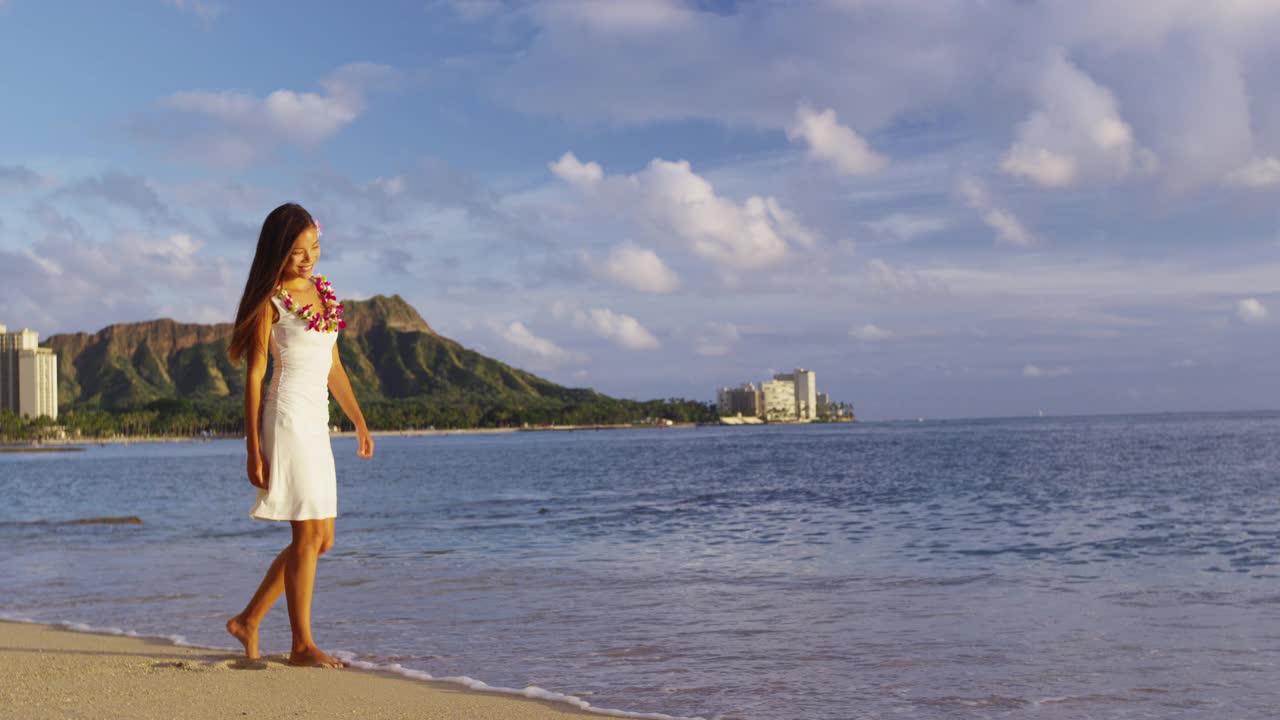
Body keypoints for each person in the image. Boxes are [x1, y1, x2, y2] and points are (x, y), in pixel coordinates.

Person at [223, 203, 374, 668]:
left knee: (322, 539)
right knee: (307, 534)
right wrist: (253, 448)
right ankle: (301, 644)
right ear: (276, 253)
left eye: (314, 248)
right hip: (285, 417)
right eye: (296, 252)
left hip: (316, 420)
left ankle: (248, 620)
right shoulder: (270, 302)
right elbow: (255, 377)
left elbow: (334, 367)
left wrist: (359, 419)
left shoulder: (322, 295)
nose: (308, 259)